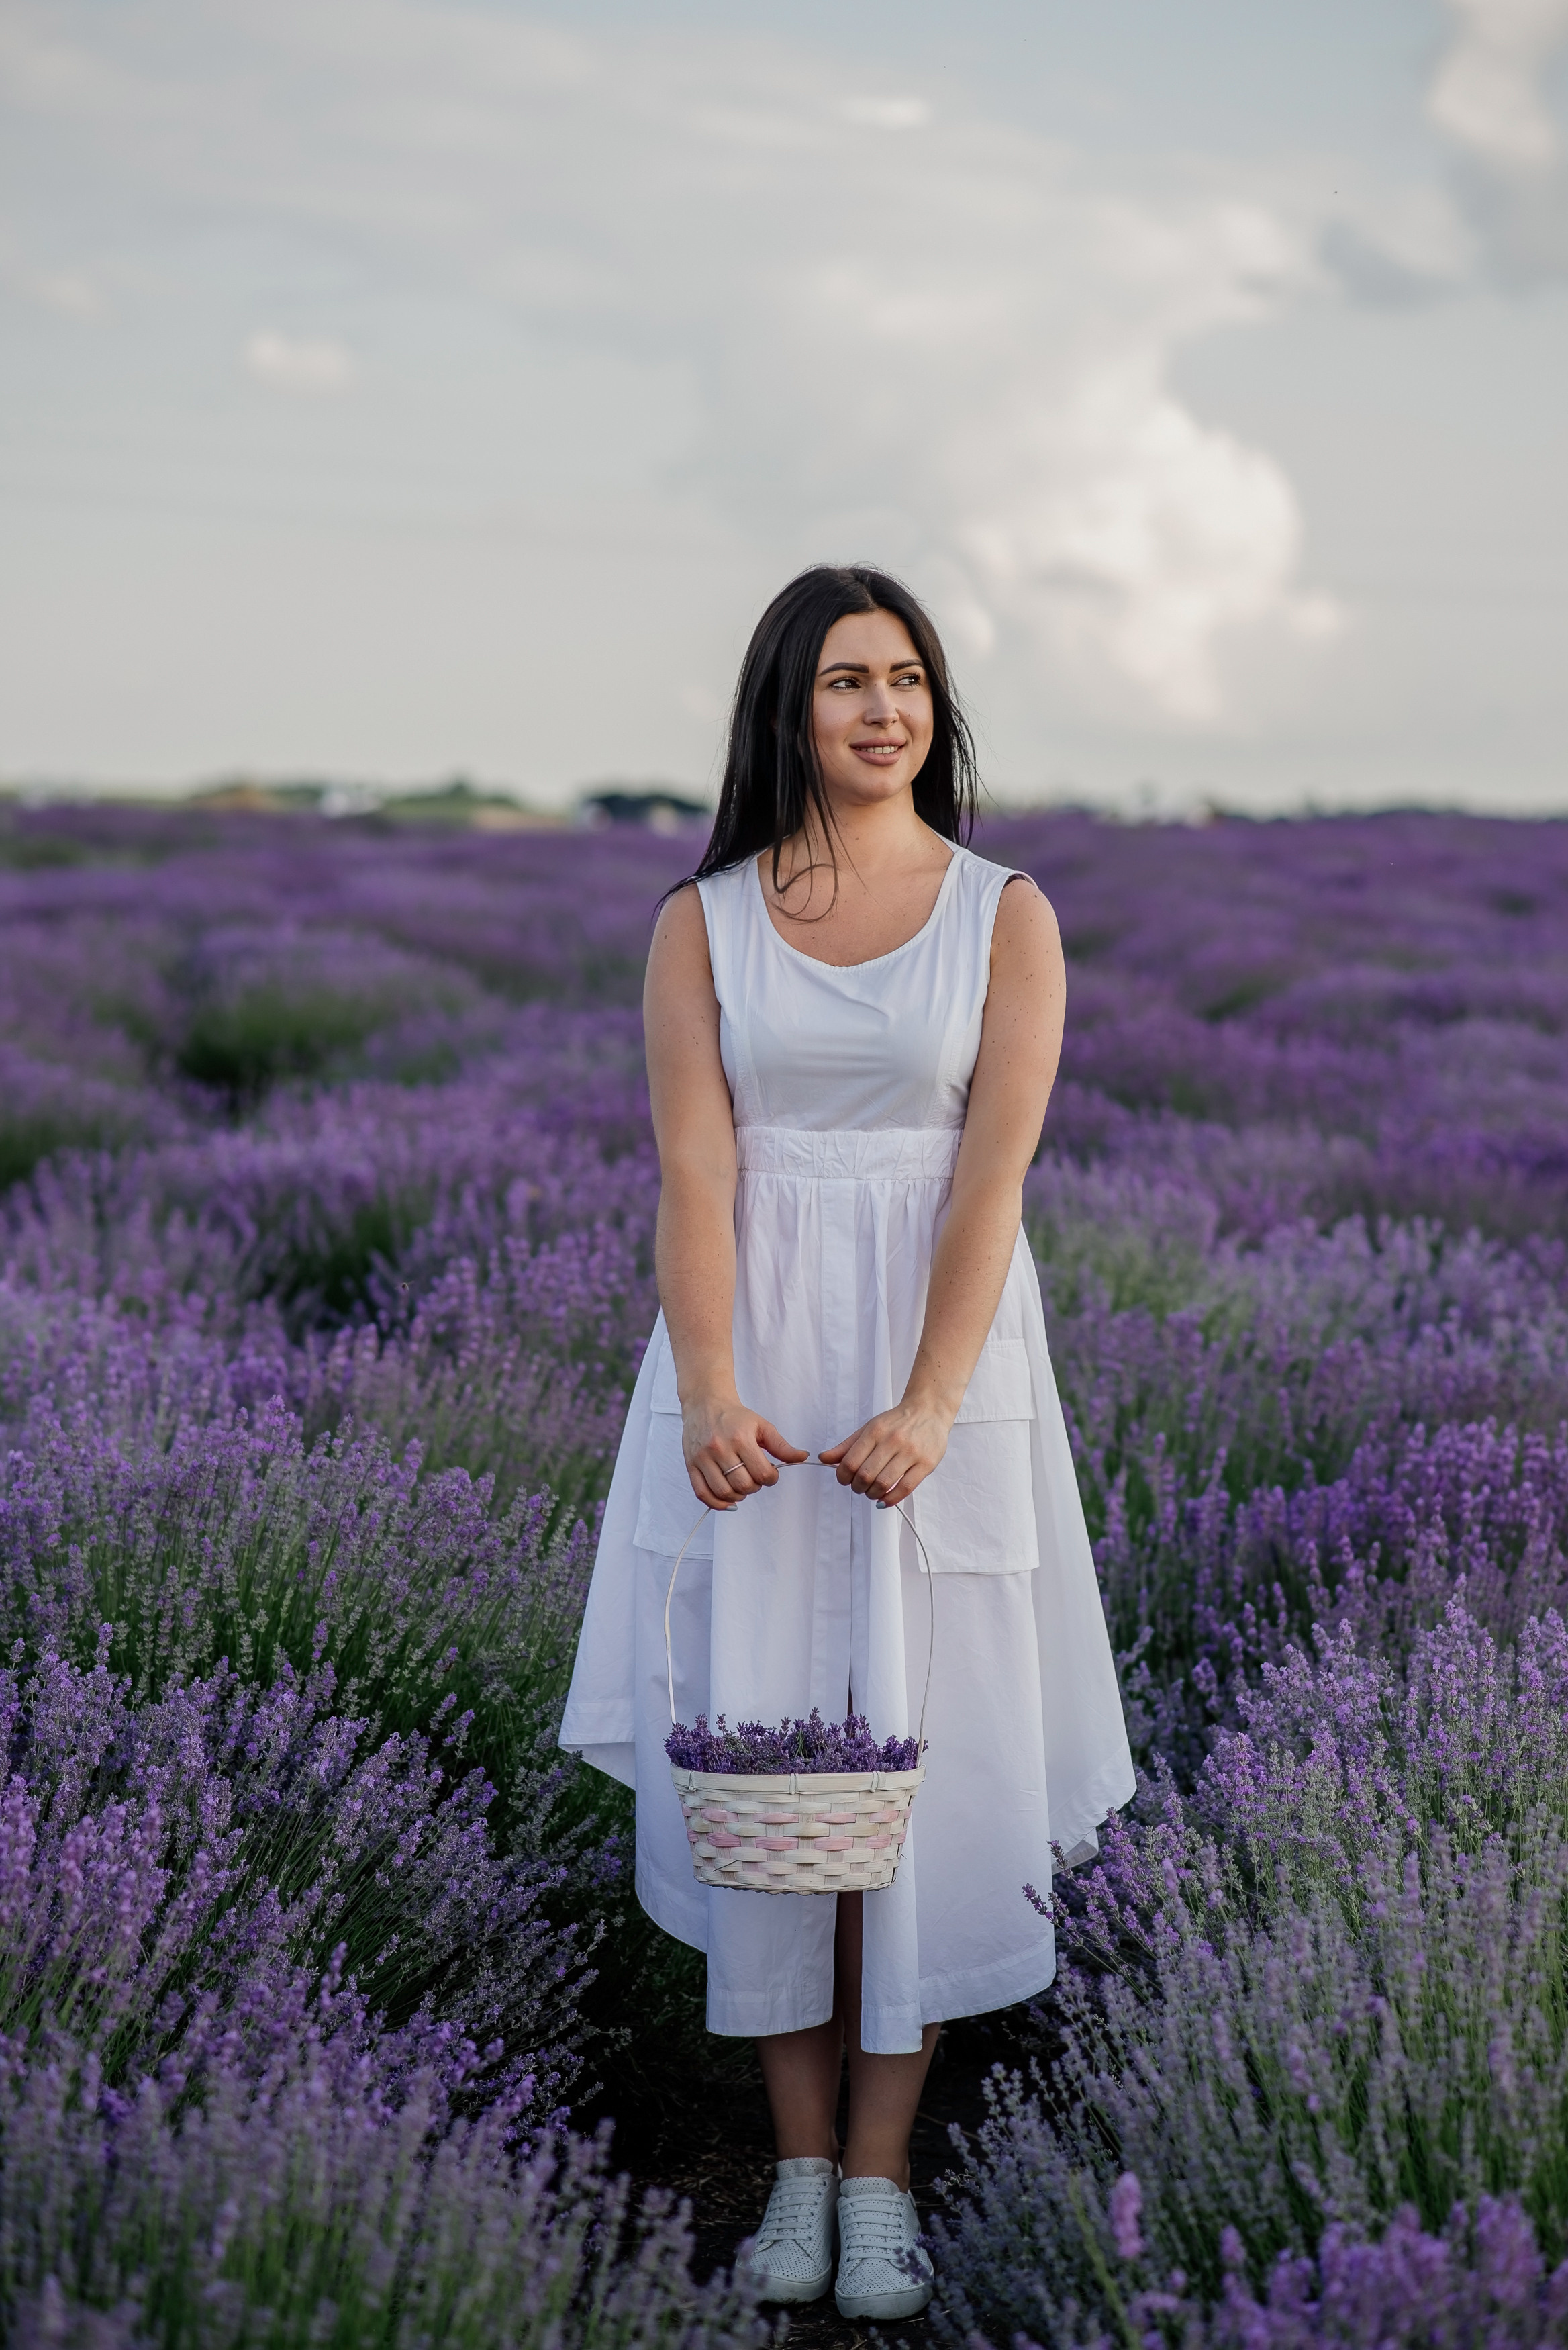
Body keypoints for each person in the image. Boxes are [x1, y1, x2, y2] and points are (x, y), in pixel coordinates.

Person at [560, 564, 1135, 2321]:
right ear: (786, 709)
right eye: (844, 682)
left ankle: (881, 2173)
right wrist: (711, 1391)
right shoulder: (704, 920)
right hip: (755, 1375)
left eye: (906, 680)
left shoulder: (1003, 913)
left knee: (924, 1766)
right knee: (770, 1762)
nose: (883, 710)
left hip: (940, 1368)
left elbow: (992, 1182)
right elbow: (695, 1172)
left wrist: (933, 1404)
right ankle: (798, 2165)